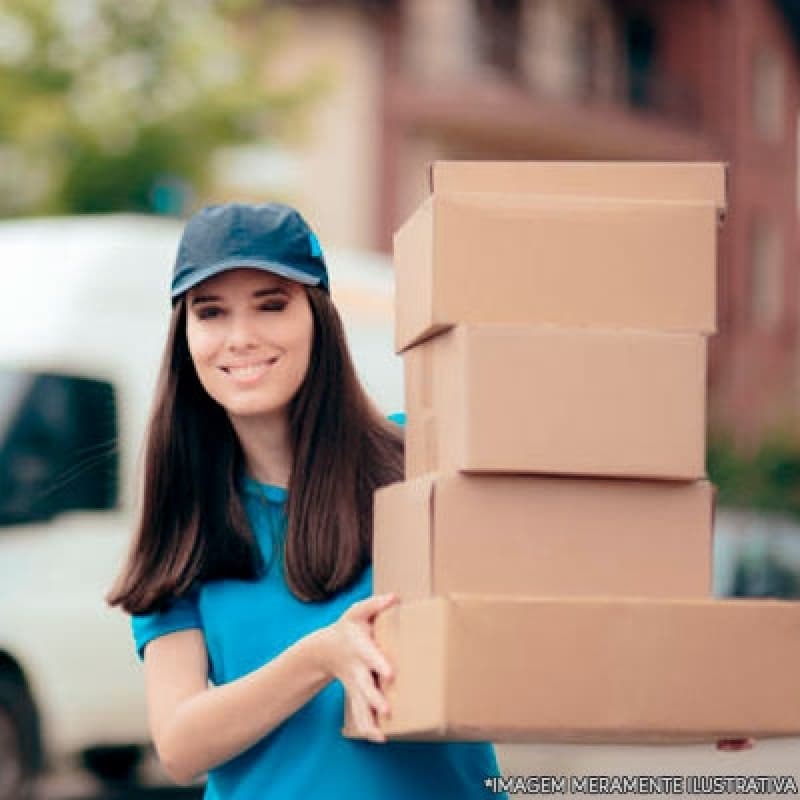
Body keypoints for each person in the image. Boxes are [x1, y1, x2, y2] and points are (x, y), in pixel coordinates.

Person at [106, 202, 505, 799]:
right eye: (211, 312)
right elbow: (180, 746)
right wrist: (319, 657)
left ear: (319, 318)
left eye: (272, 305)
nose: (240, 338)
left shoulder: (420, 464)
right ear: (186, 337)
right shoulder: (185, 519)